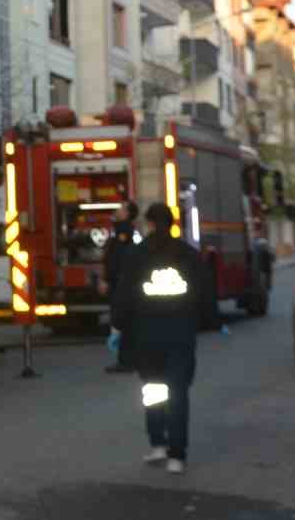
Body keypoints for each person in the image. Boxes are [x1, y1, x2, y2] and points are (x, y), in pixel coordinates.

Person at [120, 202, 201, 474]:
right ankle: (177, 455)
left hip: (148, 335)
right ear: (173, 224)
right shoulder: (189, 255)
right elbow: (203, 292)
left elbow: (125, 295)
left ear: (151, 224)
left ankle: (158, 444)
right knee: (178, 392)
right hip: (180, 334)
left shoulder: (137, 255)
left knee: (154, 390)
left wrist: (119, 326)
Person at [102, 202, 141, 373]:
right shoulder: (121, 230)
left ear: (127, 214)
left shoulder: (123, 232)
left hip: (121, 284)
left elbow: (116, 260)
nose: (117, 210)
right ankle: (127, 359)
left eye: (122, 209)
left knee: (123, 322)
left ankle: (126, 361)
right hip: (121, 283)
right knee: (124, 321)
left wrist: (107, 279)